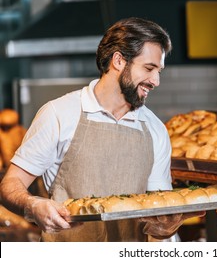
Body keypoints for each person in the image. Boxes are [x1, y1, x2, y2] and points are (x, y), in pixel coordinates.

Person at [0, 17, 203, 242]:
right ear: (118, 61)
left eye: (159, 71)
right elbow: (10, 184)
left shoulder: (155, 130)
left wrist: (167, 226)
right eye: (149, 68)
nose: (155, 80)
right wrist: (33, 205)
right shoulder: (59, 114)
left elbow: (155, 217)